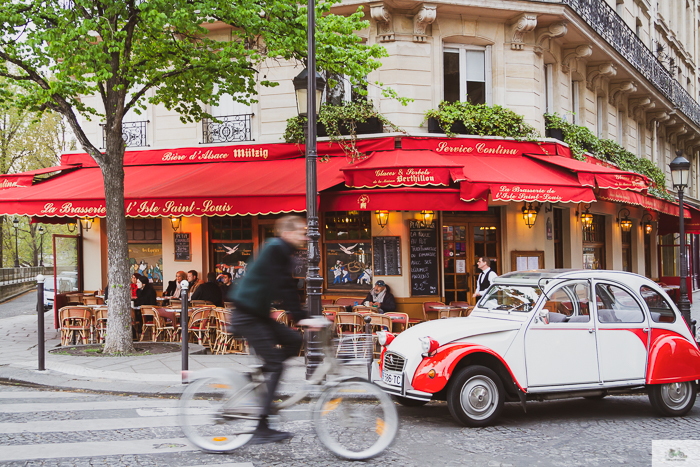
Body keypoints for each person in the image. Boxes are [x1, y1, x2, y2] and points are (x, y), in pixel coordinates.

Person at [231, 215, 309, 444]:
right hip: (247, 315)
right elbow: (284, 285)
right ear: (287, 233)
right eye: (300, 232)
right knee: (276, 363)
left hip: (257, 314)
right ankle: (261, 427)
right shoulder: (276, 248)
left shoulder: (281, 251)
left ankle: (262, 372)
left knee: (294, 341)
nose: (304, 236)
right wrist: (301, 317)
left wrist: (301, 317)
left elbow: (284, 285)